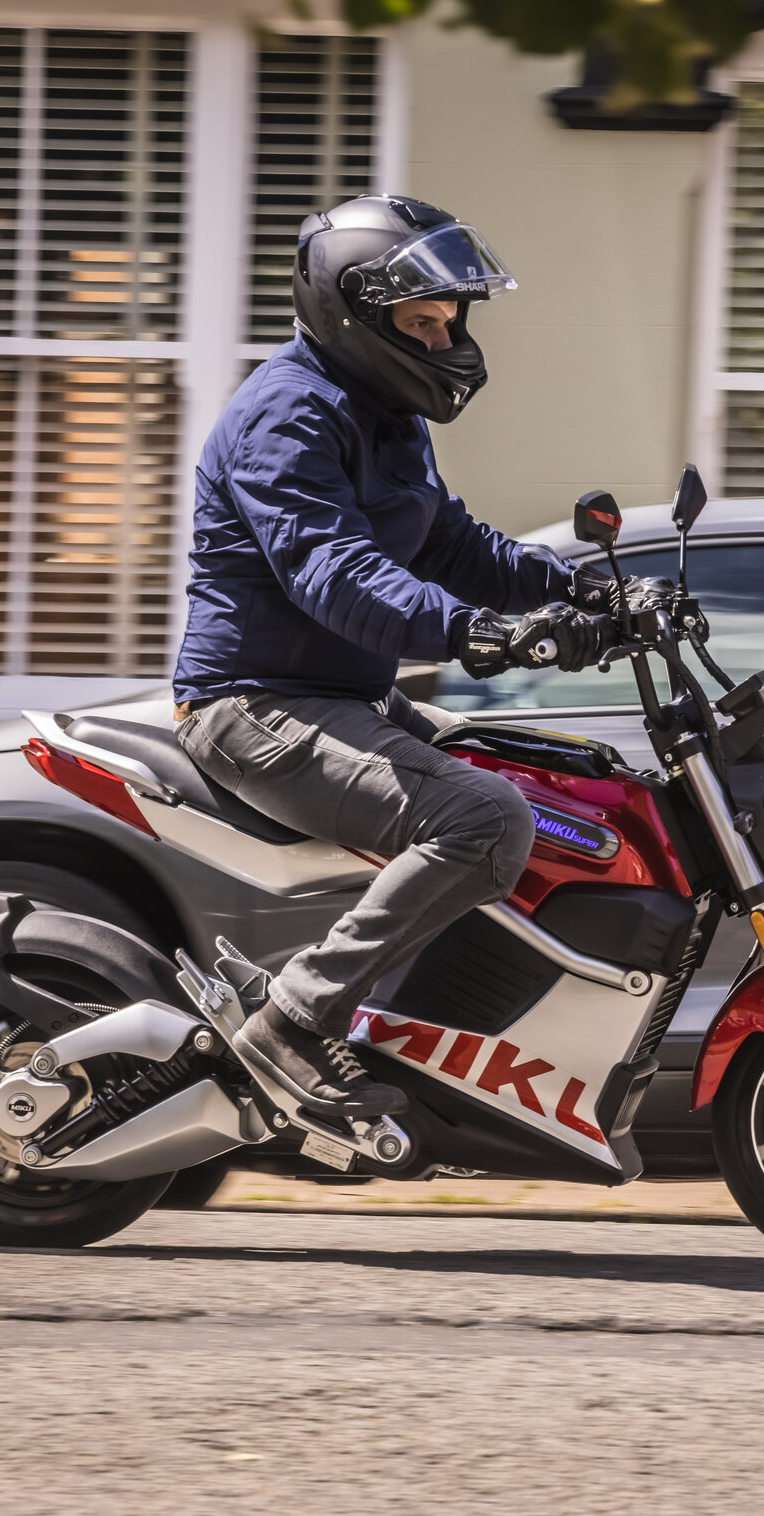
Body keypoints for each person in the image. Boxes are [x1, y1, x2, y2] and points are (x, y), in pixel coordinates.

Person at [171, 194, 619, 1119]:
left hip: (341, 695)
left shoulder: (387, 412)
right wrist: (474, 633)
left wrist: (577, 590)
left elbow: (452, 543)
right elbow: (334, 574)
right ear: (354, 313)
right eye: (423, 321)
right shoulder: (285, 417)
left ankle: (453, 1036)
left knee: (554, 782)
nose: (446, 338)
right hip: (253, 705)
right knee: (488, 819)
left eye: (450, 318)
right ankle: (295, 1018)